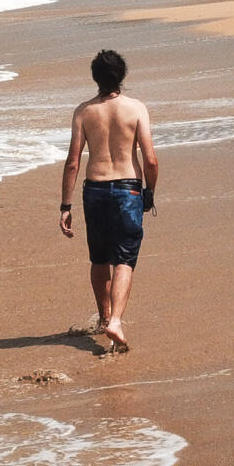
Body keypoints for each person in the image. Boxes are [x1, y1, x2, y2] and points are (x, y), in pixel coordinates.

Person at [58, 48, 158, 353]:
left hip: (96, 190)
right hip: (128, 189)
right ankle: (116, 320)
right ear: (122, 76)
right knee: (124, 260)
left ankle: (104, 318)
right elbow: (150, 159)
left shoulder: (84, 112)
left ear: (95, 78)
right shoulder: (136, 108)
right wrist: (149, 193)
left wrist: (66, 205)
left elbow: (73, 161)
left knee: (99, 258)